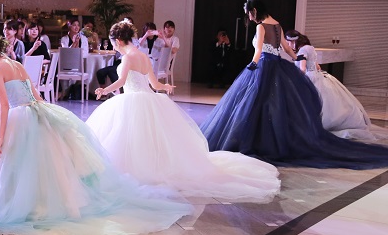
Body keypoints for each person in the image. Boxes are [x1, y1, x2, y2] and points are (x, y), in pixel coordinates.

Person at [0, 35, 192, 235]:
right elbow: (35, 95)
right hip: (34, 110)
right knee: (48, 163)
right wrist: (46, 115)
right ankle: (51, 203)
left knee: (17, 163)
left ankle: (24, 205)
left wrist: (0, 137)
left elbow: (4, 106)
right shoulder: (15, 64)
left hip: (18, 115)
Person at [87, 22, 279, 202]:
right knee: (151, 138)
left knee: (130, 138)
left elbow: (121, 82)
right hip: (149, 100)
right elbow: (154, 84)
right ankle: (152, 167)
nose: (115, 47)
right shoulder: (144, 56)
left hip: (132, 102)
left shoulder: (127, 57)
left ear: (118, 41)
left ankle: (136, 170)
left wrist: (104, 89)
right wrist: (165, 86)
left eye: (114, 44)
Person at [201, 0, 388, 169]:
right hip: (278, 65)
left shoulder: (261, 26)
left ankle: (256, 140)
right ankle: (275, 138)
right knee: (274, 104)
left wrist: (253, 65)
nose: (249, 17)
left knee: (255, 103)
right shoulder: (277, 25)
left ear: (255, 11)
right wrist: (296, 57)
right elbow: (285, 47)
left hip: (264, 65)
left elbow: (258, 50)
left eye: (249, 13)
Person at [286, 30, 388, 141]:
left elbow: (302, 69)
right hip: (317, 76)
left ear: (294, 41)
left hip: (309, 78)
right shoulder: (310, 48)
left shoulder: (302, 50)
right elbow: (318, 67)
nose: (288, 45)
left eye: (288, 42)